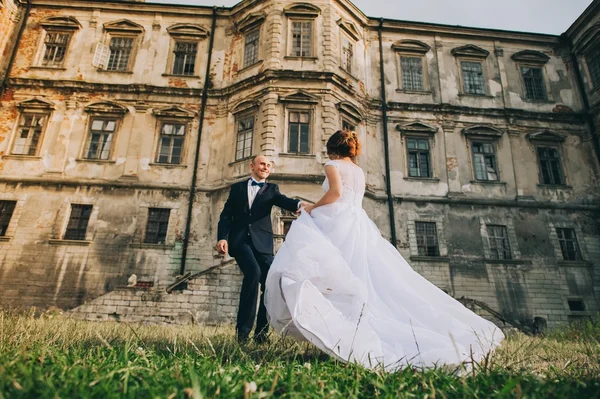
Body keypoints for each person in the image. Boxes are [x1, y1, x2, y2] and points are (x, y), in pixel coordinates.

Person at [264, 130, 504, 370]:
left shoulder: (331, 164)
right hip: (357, 222)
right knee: (361, 277)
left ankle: (345, 333)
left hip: (338, 221)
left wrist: (311, 207)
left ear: (332, 149)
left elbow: (336, 193)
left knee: (328, 270)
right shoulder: (358, 171)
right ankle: (349, 331)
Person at [216, 155, 307, 344]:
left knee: (271, 282)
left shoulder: (272, 189)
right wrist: (222, 238)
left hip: (263, 243)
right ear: (252, 166)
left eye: (268, 165)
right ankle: (243, 332)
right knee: (254, 274)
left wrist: (300, 205)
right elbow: (226, 215)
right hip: (240, 241)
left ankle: (261, 333)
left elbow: (285, 201)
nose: (265, 167)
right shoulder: (237, 188)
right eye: (262, 164)